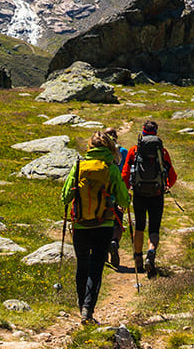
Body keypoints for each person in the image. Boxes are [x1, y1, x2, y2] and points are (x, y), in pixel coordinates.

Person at [61, 131, 130, 324]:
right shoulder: (111, 167)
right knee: (96, 268)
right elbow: (124, 200)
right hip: (104, 224)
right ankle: (88, 310)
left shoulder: (78, 165)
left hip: (80, 224)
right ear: (109, 147)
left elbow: (65, 196)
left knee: (82, 265)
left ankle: (81, 302)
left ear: (90, 146)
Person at [122, 120, 177, 279]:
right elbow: (172, 176)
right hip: (157, 195)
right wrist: (166, 186)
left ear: (143, 132)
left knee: (139, 225)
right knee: (154, 228)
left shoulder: (134, 150)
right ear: (156, 133)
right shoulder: (163, 152)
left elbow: (125, 174)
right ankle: (151, 253)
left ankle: (138, 258)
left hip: (139, 194)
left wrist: (127, 189)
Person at [104, 127, 128, 268]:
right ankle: (114, 242)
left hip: (101, 193)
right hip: (118, 191)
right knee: (118, 223)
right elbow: (126, 172)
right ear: (116, 137)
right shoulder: (123, 151)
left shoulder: (101, 153)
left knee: (102, 222)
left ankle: (104, 252)